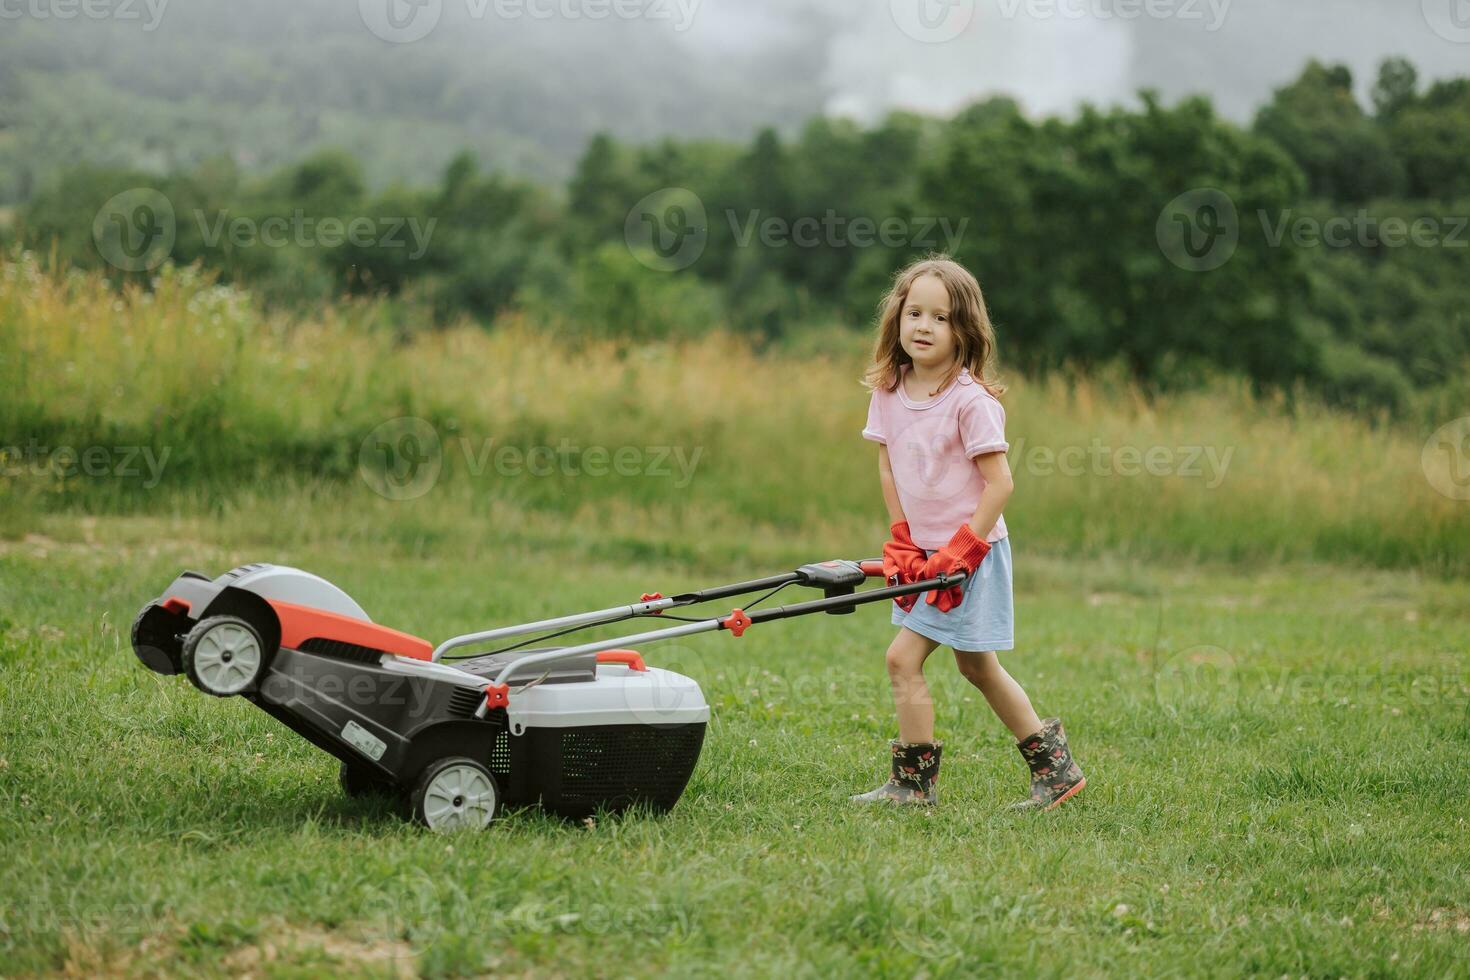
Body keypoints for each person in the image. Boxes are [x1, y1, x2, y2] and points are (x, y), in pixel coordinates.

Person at [851, 255, 1086, 812]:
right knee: (976, 665)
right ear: (897, 319)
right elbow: (887, 466)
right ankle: (1056, 772)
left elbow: (1000, 484)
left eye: (940, 317)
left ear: (965, 331)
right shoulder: (888, 390)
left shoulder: (971, 402)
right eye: (914, 313)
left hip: (971, 556)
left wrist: (962, 549)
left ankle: (913, 785)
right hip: (925, 554)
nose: (924, 326)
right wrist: (903, 536)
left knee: (902, 659)